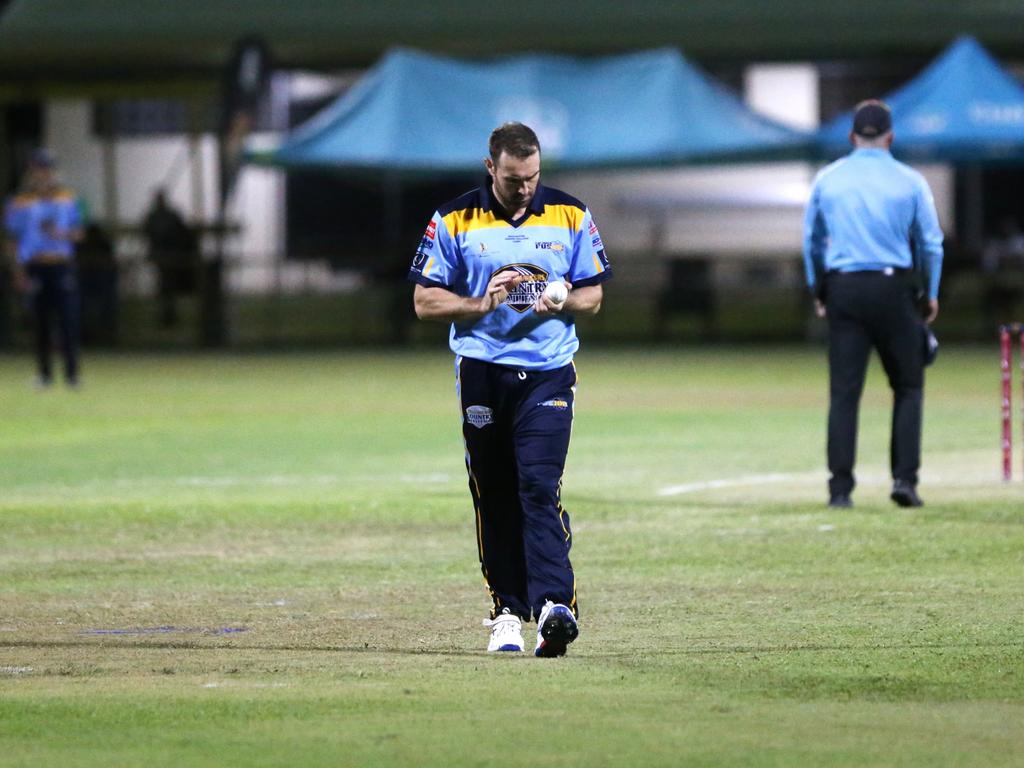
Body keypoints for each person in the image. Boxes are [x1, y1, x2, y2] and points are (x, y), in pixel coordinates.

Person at [409, 122, 612, 656]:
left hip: (547, 372)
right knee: (494, 494)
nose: (525, 188)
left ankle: (553, 607)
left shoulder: (570, 214)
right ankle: (506, 611)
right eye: (514, 178)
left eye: (533, 177)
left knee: (538, 486)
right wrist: (481, 303)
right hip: (482, 372)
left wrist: (563, 298)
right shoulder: (454, 219)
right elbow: (424, 301)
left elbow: (593, 295)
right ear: (490, 168)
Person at [803, 100, 944, 509]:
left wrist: (819, 290)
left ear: (852, 137)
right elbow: (930, 242)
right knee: (908, 386)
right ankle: (904, 481)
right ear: (890, 137)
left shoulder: (827, 179)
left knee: (844, 393)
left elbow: (811, 239)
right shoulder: (910, 180)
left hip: (844, 289)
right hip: (893, 288)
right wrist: (930, 291)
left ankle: (840, 489)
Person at [4, 149, 84, 388]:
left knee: (68, 320)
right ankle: (44, 375)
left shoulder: (67, 198)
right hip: (35, 266)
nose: (43, 175)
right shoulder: (19, 202)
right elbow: (11, 240)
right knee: (40, 323)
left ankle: (72, 375)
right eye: (38, 170)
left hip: (61, 265)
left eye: (47, 170)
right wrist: (17, 272)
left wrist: (62, 233)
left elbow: (79, 233)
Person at [143, 189, 195, 328]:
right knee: (165, 285)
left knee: (168, 285)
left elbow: (182, 232)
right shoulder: (157, 216)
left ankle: (168, 314)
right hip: (163, 256)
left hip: (169, 256)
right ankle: (166, 314)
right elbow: (147, 233)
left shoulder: (164, 216)